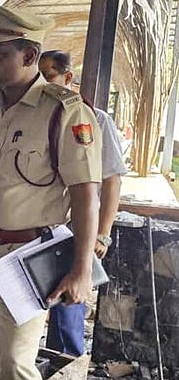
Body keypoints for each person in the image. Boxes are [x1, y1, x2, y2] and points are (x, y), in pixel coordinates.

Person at [0, 4, 102, 380]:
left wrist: (82, 268)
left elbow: (86, 194)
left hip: (29, 258)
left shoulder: (64, 111)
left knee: (16, 363)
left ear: (29, 54)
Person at [39, 50, 127, 356]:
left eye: (48, 75)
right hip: (39, 230)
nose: (42, 82)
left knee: (67, 314)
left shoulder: (95, 119)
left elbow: (111, 180)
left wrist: (102, 233)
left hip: (74, 232)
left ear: (67, 78)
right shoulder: (35, 115)